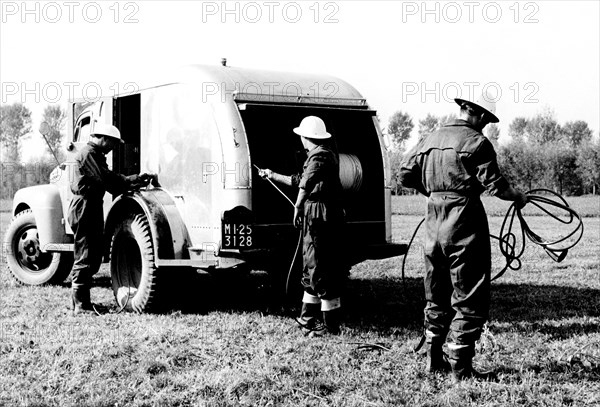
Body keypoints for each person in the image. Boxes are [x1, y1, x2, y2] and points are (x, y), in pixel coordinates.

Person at [399, 93, 528, 381]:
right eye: (487, 121)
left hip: (433, 221)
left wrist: (435, 193)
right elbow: (497, 186)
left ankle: (434, 360)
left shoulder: (429, 137)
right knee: (469, 295)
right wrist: (518, 197)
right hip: (464, 221)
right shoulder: (477, 142)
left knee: (436, 293)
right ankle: (461, 369)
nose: (485, 126)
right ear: (480, 116)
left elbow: (405, 174)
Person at [259, 116, 346, 336]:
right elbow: (299, 180)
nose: (301, 141)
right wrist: (272, 175)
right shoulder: (320, 155)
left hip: (319, 214)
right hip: (317, 212)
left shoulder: (320, 156)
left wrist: (297, 207)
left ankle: (329, 326)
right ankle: (307, 319)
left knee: (321, 265)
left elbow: (305, 185)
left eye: (302, 137)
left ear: (307, 137)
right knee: (312, 265)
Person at [68, 122, 151, 315]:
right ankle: (81, 305)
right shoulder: (88, 155)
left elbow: (109, 179)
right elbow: (108, 181)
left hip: (90, 205)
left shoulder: (95, 155)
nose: (114, 147)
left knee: (92, 253)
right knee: (85, 254)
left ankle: (80, 303)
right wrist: (134, 180)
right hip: (84, 207)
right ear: (103, 139)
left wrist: (134, 179)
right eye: (113, 143)